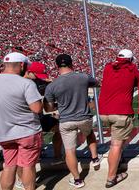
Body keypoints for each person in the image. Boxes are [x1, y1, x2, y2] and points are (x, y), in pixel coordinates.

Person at [0, 52, 43, 190]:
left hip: (4, 133)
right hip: (27, 131)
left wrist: (0, 111)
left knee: (9, 166)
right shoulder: (26, 83)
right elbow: (36, 108)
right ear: (22, 65)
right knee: (28, 166)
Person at [44, 54, 101, 188]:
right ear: (71, 64)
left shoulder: (53, 85)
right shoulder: (82, 77)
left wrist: (61, 105)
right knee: (89, 135)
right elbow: (96, 83)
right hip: (84, 116)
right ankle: (95, 158)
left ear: (57, 66)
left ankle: (77, 179)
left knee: (70, 150)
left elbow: (49, 107)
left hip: (66, 119)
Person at [98, 49, 139, 187]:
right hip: (120, 112)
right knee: (116, 145)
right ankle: (111, 177)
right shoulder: (131, 68)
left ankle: (119, 160)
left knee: (115, 142)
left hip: (104, 112)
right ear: (130, 59)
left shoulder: (107, 68)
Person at [24, 62, 63, 165]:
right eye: (36, 75)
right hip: (29, 118)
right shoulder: (25, 84)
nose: (38, 78)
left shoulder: (35, 80)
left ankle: (57, 156)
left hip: (37, 117)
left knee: (59, 127)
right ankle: (55, 155)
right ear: (28, 72)